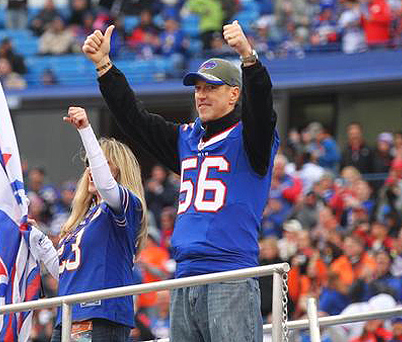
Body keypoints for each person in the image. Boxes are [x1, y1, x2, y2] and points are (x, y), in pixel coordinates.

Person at [82, 18, 278, 342]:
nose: (201, 95)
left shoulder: (250, 138)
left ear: (234, 94)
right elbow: (137, 121)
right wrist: (105, 67)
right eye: (198, 88)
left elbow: (263, 110)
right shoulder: (187, 139)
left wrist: (248, 57)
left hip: (229, 274)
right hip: (184, 276)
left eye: (211, 88)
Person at [28, 106, 147, 341]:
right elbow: (65, 272)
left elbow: (106, 185)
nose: (92, 170)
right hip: (68, 316)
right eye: (89, 165)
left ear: (120, 170)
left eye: (102, 164)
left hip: (102, 316)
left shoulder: (126, 206)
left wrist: (85, 130)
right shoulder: (83, 220)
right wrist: (38, 239)